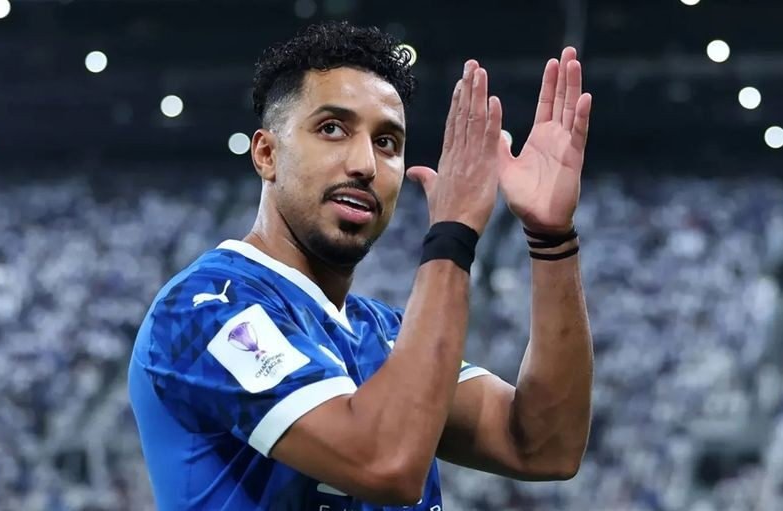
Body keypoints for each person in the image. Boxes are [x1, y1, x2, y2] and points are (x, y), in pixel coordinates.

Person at [128, 20, 594, 511]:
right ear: (266, 153)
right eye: (332, 129)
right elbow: (385, 463)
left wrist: (551, 239)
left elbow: (546, 445)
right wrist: (453, 232)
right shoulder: (203, 308)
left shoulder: (385, 332)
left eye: (387, 142)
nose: (365, 164)